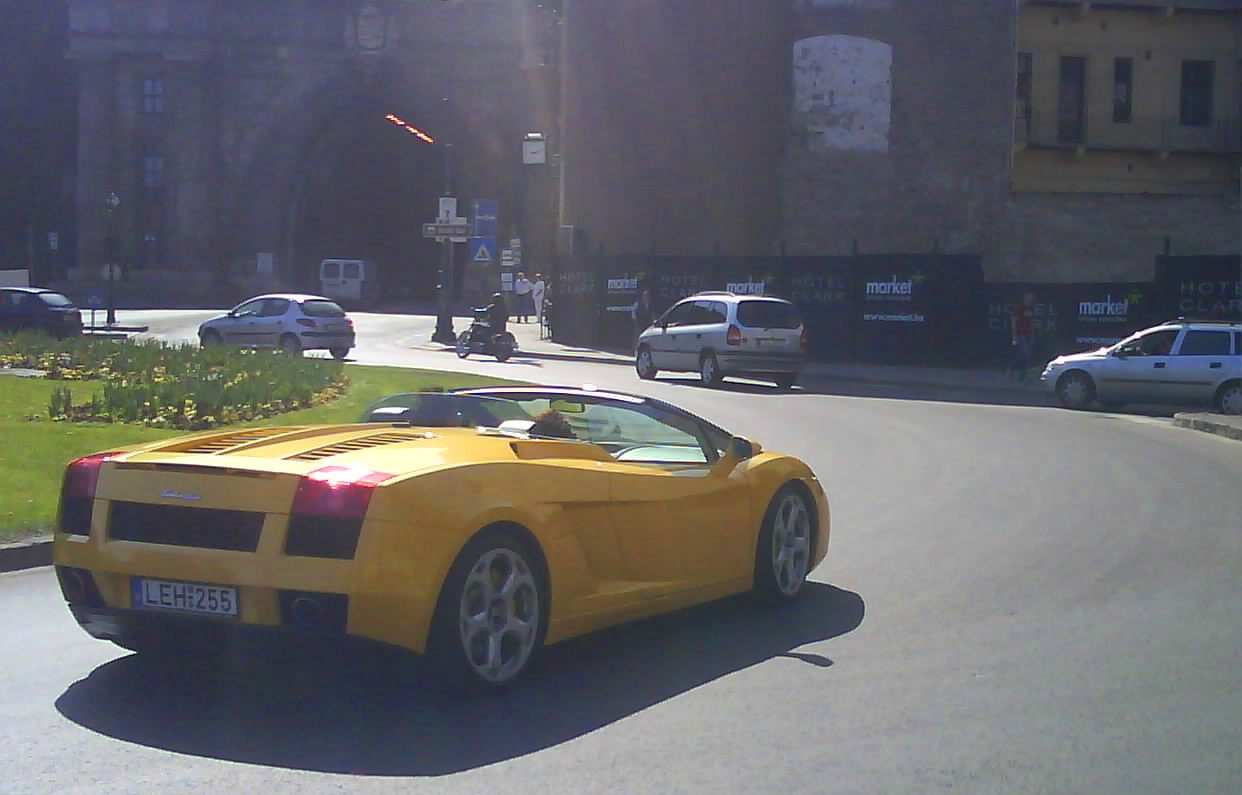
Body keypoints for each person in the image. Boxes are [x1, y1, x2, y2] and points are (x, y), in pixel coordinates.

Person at [1008, 292, 1036, 380]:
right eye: (1028, 298)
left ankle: (1022, 375)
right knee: (1025, 352)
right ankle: (1011, 367)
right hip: (1020, 334)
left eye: (1031, 298)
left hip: (1028, 334)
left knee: (1025, 355)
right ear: (1024, 298)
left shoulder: (1030, 309)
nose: (1029, 300)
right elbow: (1014, 321)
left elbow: (1031, 322)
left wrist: (1032, 334)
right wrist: (1014, 335)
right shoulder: (1019, 307)